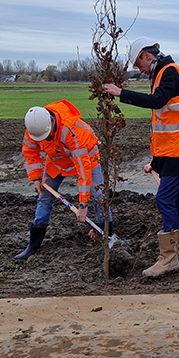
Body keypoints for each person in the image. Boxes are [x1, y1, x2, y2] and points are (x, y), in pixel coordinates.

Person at [104, 37, 179, 277]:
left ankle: (169, 258)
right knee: (176, 201)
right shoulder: (162, 73)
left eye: (137, 63)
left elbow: (157, 102)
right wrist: (155, 161)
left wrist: (121, 93)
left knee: (164, 200)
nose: (137, 69)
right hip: (178, 151)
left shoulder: (169, 72)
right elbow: (167, 120)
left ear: (146, 56)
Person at [18, 100, 116, 260]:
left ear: (51, 122)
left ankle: (108, 234)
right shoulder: (35, 128)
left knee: (99, 196)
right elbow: (30, 152)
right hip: (58, 161)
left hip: (87, 158)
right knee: (44, 198)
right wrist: (36, 178)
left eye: (47, 135)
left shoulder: (71, 130)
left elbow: (84, 172)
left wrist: (83, 205)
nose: (46, 138)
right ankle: (33, 245)